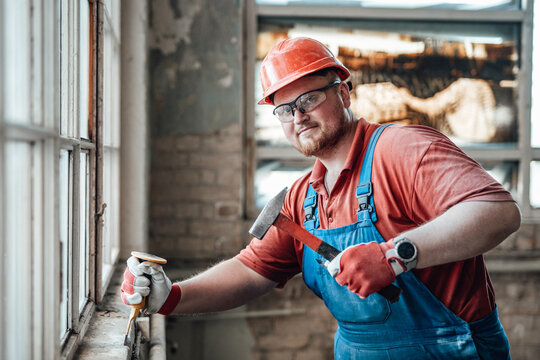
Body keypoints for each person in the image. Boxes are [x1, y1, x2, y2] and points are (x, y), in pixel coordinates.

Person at [121, 37, 521, 359]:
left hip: (452, 349)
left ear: (344, 93)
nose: (298, 117)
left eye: (309, 99)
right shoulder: (300, 200)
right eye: (283, 110)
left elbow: (498, 212)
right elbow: (249, 272)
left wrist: (395, 255)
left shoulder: (402, 149)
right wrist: (172, 297)